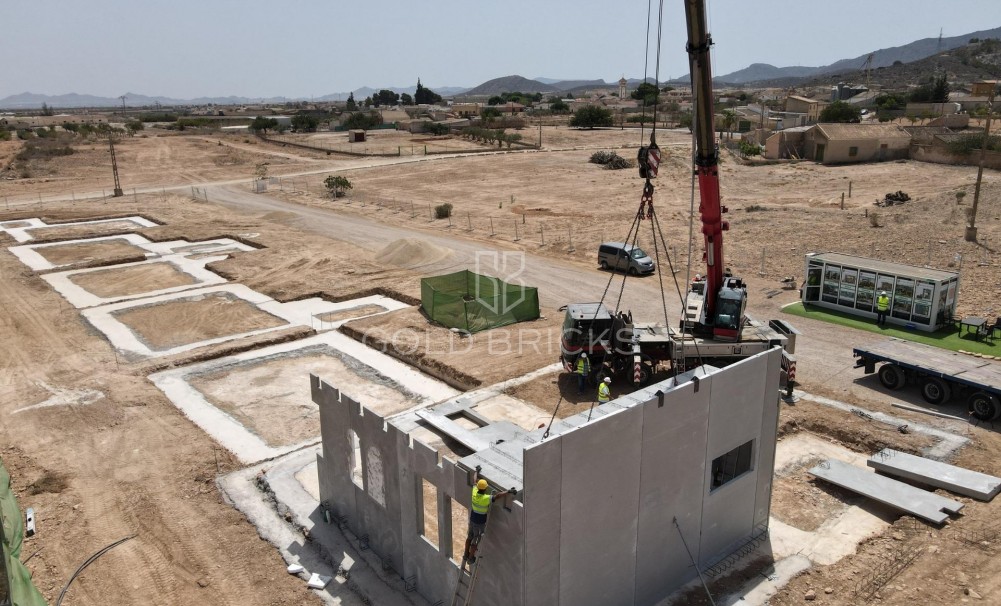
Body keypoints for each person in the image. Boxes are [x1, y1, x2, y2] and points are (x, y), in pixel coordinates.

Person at [463, 479, 513, 564]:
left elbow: (474, 481)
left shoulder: (474, 492)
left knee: (469, 537)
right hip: (479, 523)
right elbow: (497, 496)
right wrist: (508, 491)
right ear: (485, 489)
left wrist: (476, 471)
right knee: (475, 540)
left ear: (478, 488)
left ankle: (466, 554)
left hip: (472, 520)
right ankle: (471, 558)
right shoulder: (485, 498)